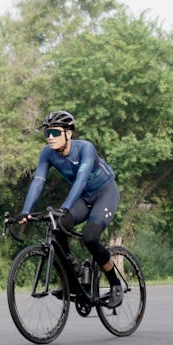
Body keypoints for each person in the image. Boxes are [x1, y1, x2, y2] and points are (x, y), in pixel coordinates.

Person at [19, 110, 123, 308]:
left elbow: (82, 179)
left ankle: (115, 283)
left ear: (68, 134)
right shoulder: (47, 153)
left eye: (55, 133)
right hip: (84, 197)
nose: (50, 137)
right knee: (57, 226)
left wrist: (65, 207)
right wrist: (26, 210)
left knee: (90, 237)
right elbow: (39, 181)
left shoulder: (86, 149)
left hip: (105, 193)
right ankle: (72, 274)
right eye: (47, 133)